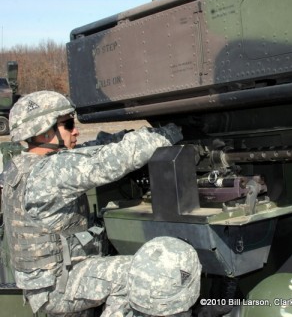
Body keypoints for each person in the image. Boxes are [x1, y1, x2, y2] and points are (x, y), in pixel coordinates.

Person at [0, 90, 201, 316]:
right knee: (152, 276)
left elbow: (95, 149)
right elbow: (111, 160)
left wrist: (135, 133)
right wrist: (169, 133)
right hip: (61, 285)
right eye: (68, 124)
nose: (75, 130)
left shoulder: (24, 165)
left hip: (50, 282)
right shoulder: (50, 173)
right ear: (45, 133)